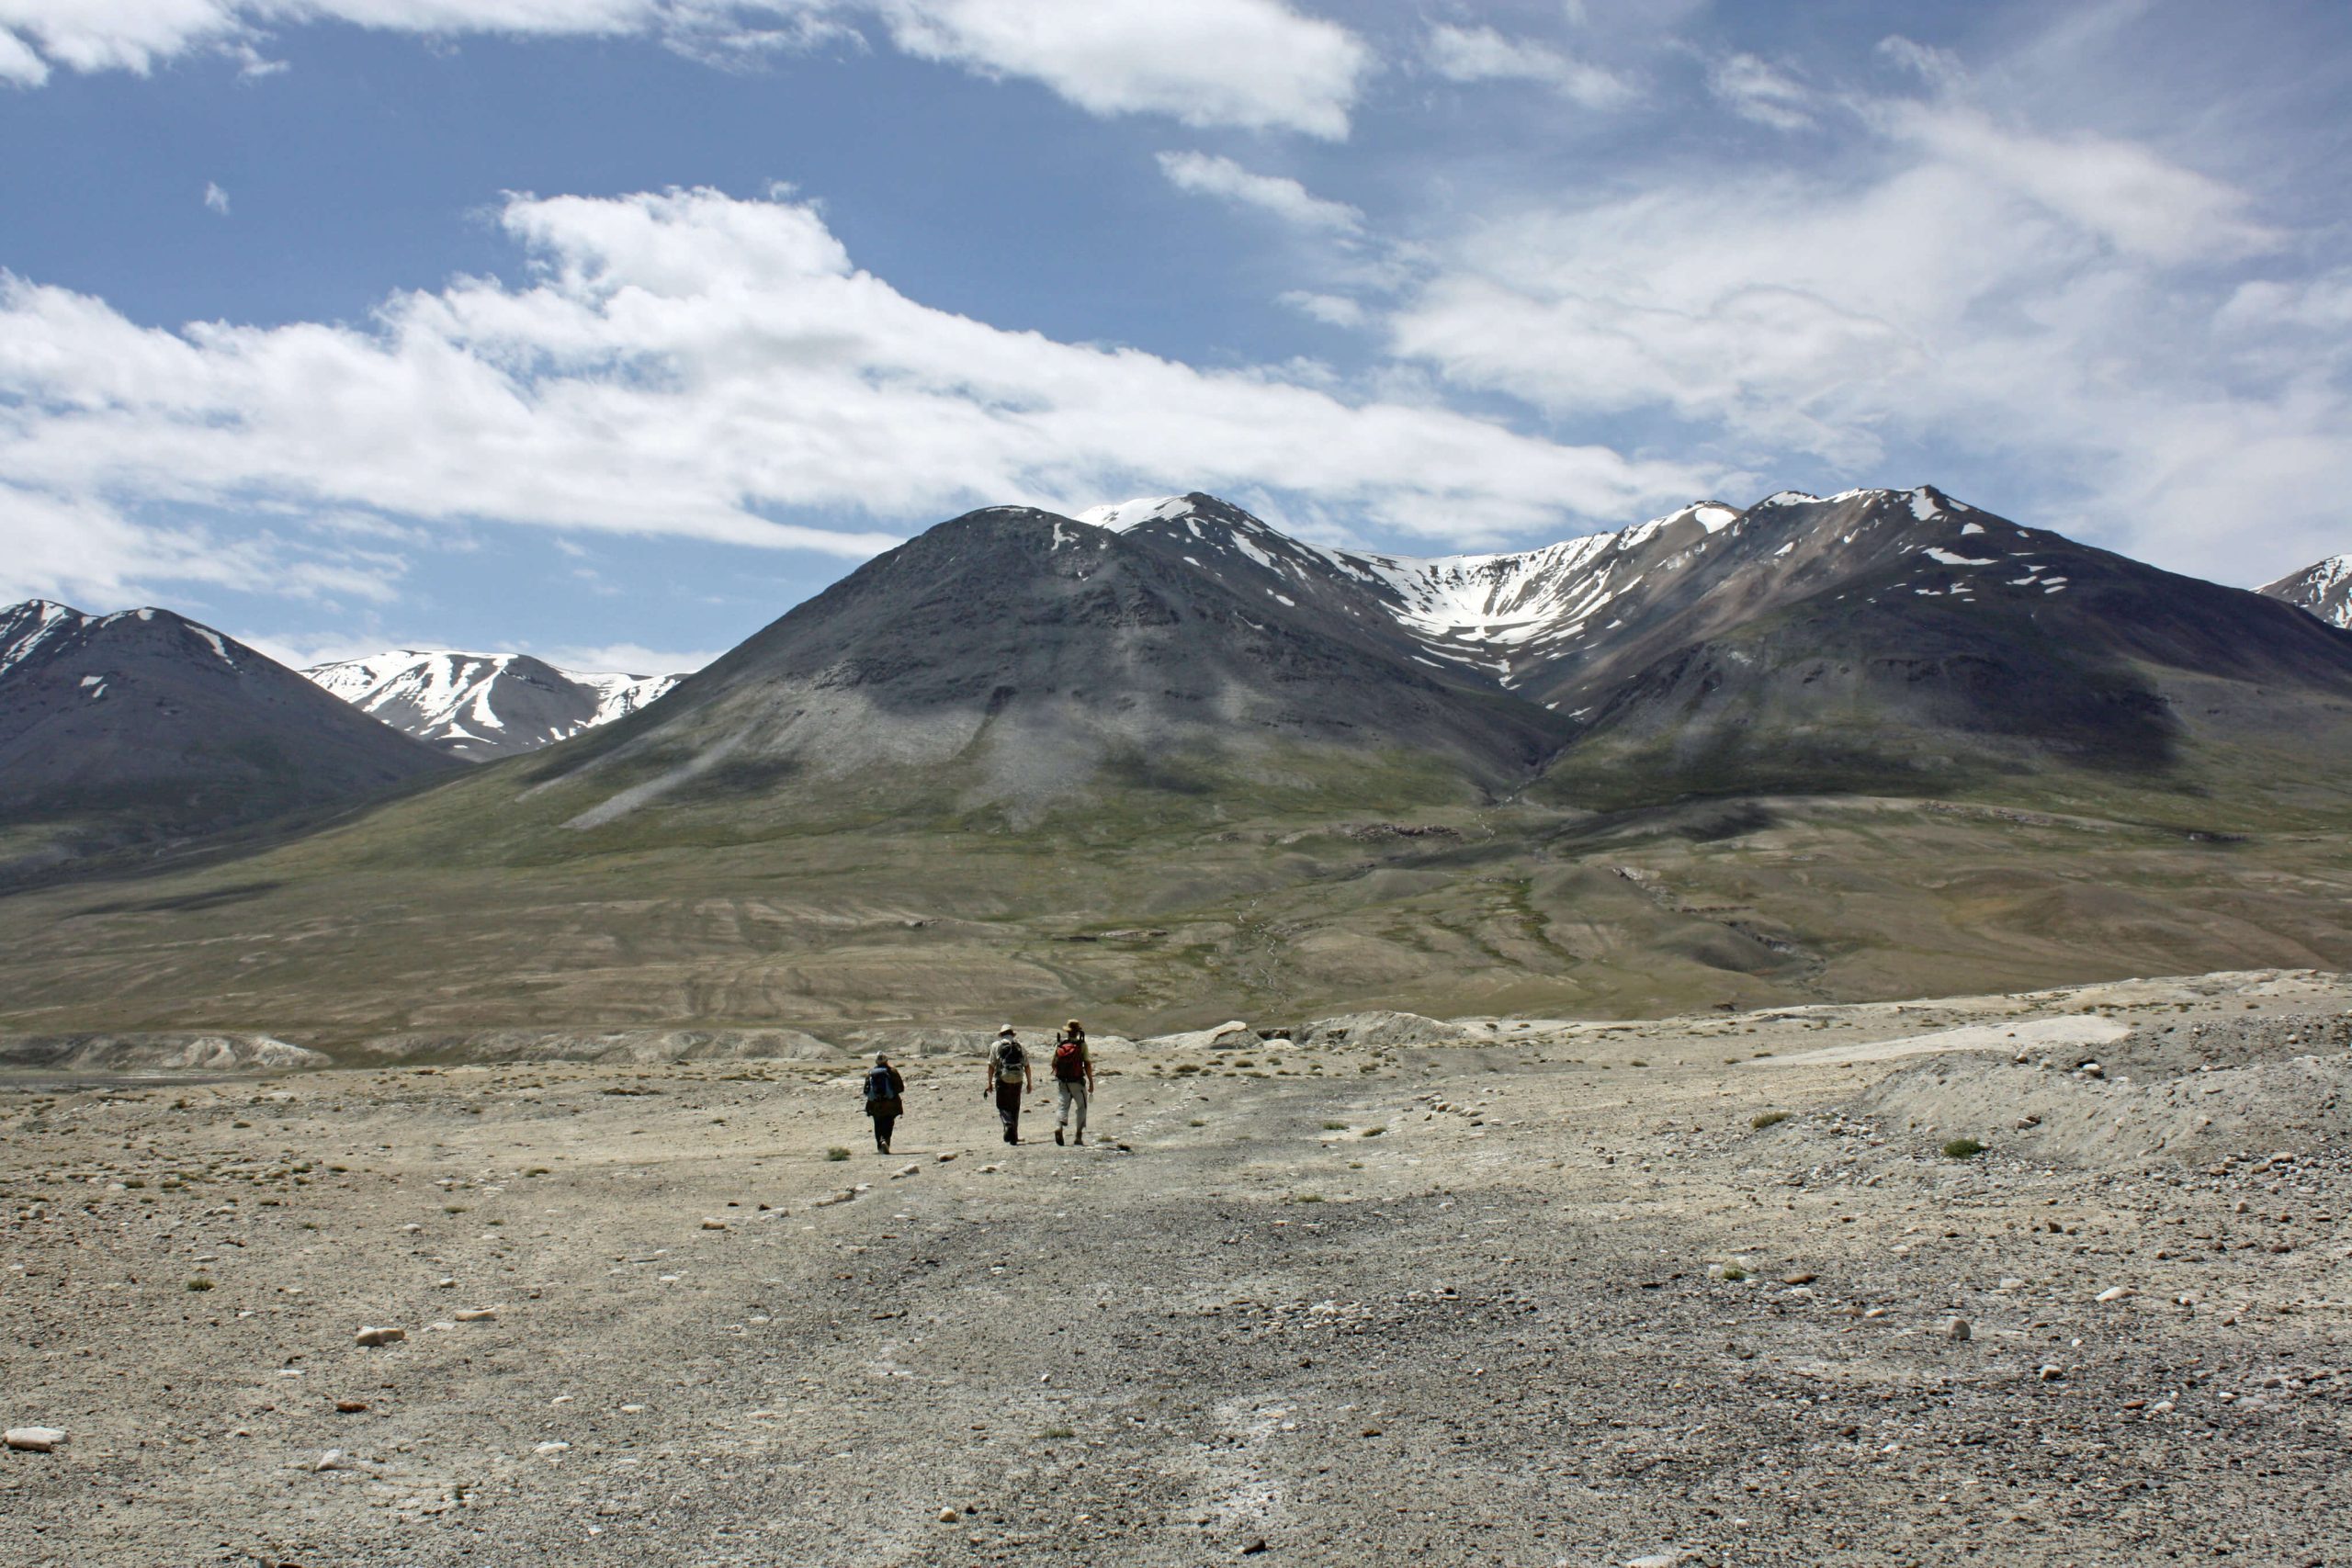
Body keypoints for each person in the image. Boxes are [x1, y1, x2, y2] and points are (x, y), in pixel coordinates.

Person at [983, 1025, 1032, 1145]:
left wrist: (989, 1083)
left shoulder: (996, 1045)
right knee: (1015, 1107)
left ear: (1002, 1034)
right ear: (1012, 1034)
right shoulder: (1020, 1046)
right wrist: (1029, 1083)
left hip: (1002, 1079)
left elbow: (991, 1065)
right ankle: (1014, 1137)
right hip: (1018, 1079)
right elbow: (1027, 1066)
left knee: (1002, 1105)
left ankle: (1008, 1123)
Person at [1051, 1019, 1094, 1145]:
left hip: (1062, 1082)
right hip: (1077, 1082)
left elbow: (1054, 1063)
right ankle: (1078, 1136)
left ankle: (1058, 1126)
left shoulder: (1060, 1045)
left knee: (1062, 1105)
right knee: (1081, 1107)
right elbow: (1087, 1064)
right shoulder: (1081, 1045)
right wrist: (1091, 1081)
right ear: (1077, 1032)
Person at [864, 1054, 905, 1154]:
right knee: (889, 1123)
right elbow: (901, 1088)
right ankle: (885, 1141)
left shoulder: (870, 1073)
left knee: (878, 1124)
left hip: (875, 1105)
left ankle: (880, 1146)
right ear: (886, 1061)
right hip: (891, 1104)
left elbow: (866, 1090)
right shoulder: (893, 1071)